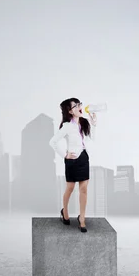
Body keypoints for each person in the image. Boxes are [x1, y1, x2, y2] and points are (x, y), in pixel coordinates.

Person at [49, 98, 97, 232]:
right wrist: (65, 155)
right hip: (72, 160)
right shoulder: (66, 126)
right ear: (70, 111)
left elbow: (91, 139)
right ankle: (64, 211)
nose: (80, 107)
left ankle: (82, 218)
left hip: (83, 158)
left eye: (80, 104)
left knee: (84, 190)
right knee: (69, 188)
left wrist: (94, 124)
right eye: (76, 106)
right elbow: (52, 142)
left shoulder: (84, 122)